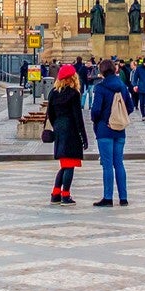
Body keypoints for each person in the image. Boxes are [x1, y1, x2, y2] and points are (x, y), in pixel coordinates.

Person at [90, 60, 134, 206]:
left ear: (102, 71)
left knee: (107, 165)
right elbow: (130, 107)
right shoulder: (122, 86)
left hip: (104, 130)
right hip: (120, 130)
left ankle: (108, 198)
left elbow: (96, 110)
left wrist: (101, 120)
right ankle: (123, 198)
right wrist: (118, 118)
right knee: (119, 163)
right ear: (115, 70)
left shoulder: (100, 88)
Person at [47, 63, 86, 205]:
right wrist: (83, 136)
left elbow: (50, 114)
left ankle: (55, 194)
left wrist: (57, 125)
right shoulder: (73, 94)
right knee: (70, 165)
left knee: (64, 164)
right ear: (73, 77)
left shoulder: (53, 92)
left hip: (59, 128)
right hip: (71, 130)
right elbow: (78, 117)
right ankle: (65, 195)